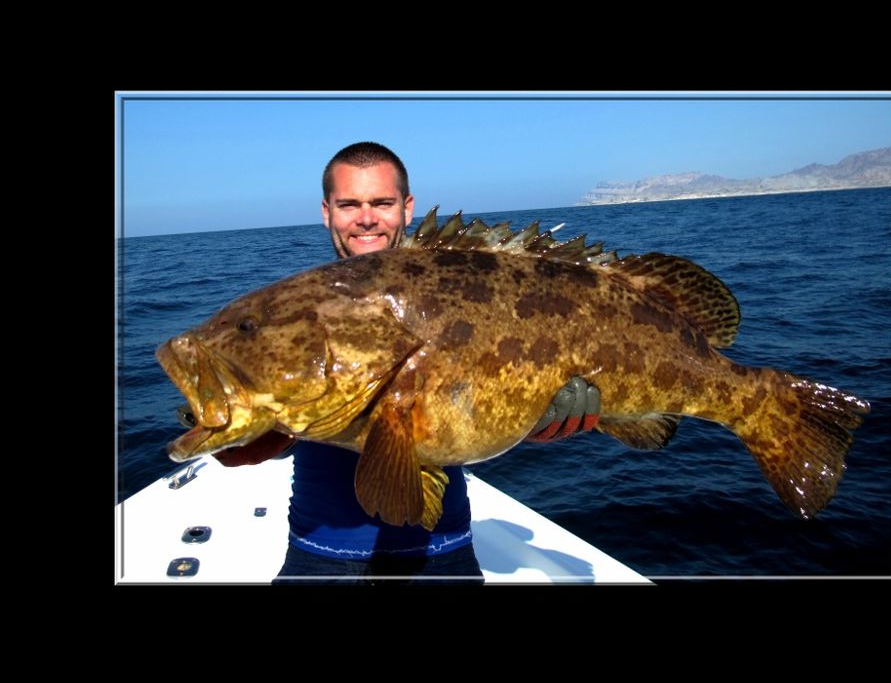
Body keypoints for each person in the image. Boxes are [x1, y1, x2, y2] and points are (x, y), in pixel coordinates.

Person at [199, 142, 599, 584]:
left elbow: (491, 410)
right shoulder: (300, 307)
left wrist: (541, 422)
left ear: (407, 208)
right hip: (319, 550)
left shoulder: (465, 283)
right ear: (326, 211)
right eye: (348, 204)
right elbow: (239, 454)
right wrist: (233, 415)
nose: (366, 217)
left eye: (382, 203)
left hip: (444, 546)